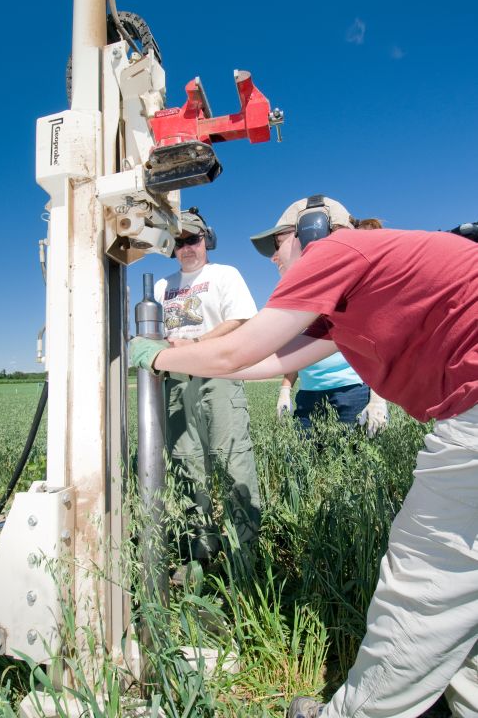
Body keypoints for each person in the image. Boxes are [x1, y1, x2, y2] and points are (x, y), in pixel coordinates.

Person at [131, 194, 478, 718]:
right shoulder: (342, 305)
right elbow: (263, 363)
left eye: (278, 242)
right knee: (464, 582)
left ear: (313, 230)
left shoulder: (335, 254)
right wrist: (176, 360)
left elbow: (237, 349)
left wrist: (157, 354)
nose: (272, 256)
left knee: (423, 583)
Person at [154, 206, 261, 568]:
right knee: (186, 465)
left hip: (217, 376)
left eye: (193, 239)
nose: (187, 247)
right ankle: (200, 551)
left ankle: (244, 554)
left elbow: (242, 318)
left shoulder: (224, 275)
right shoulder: (161, 285)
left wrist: (196, 343)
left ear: (207, 240)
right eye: (180, 241)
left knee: (232, 461)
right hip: (174, 383)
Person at [273, 216, 387, 435]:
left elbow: (377, 344)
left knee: (351, 461)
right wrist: (285, 390)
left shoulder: (347, 287)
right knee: (306, 464)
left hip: (350, 390)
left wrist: (377, 398)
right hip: (308, 392)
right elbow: (296, 347)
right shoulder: (295, 294)